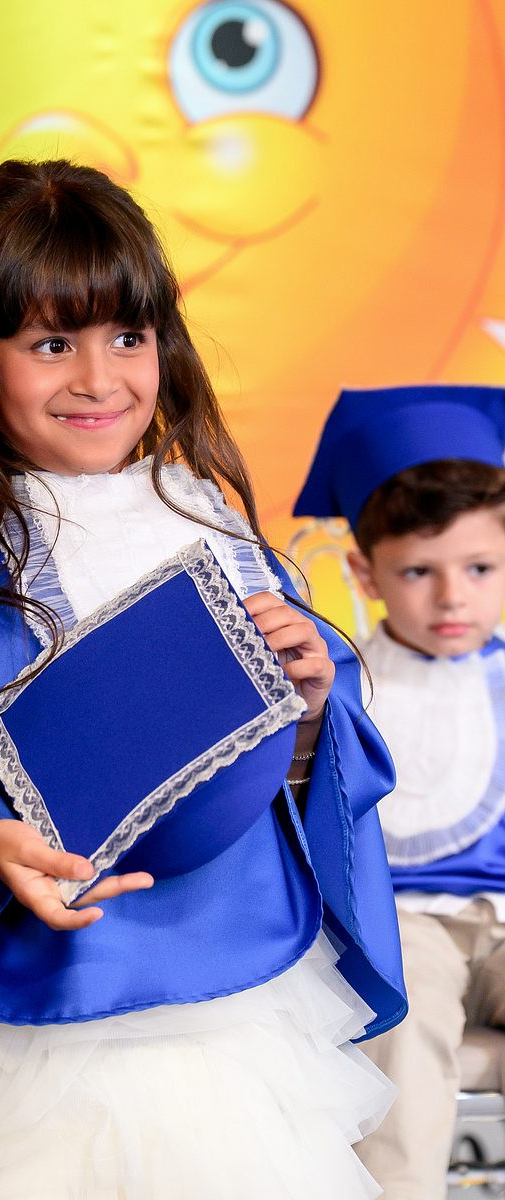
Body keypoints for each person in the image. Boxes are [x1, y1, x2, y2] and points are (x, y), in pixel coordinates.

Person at [0, 159, 405, 1200]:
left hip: (226, 991)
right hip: (28, 1003)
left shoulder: (223, 541)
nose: (98, 379)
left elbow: (308, 783)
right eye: (51, 344)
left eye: (127, 338)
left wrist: (313, 710)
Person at [294, 382, 505, 1199]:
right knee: (407, 1017)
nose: (452, 597)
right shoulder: (347, 685)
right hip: (406, 919)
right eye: (418, 571)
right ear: (366, 572)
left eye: (480, 568)